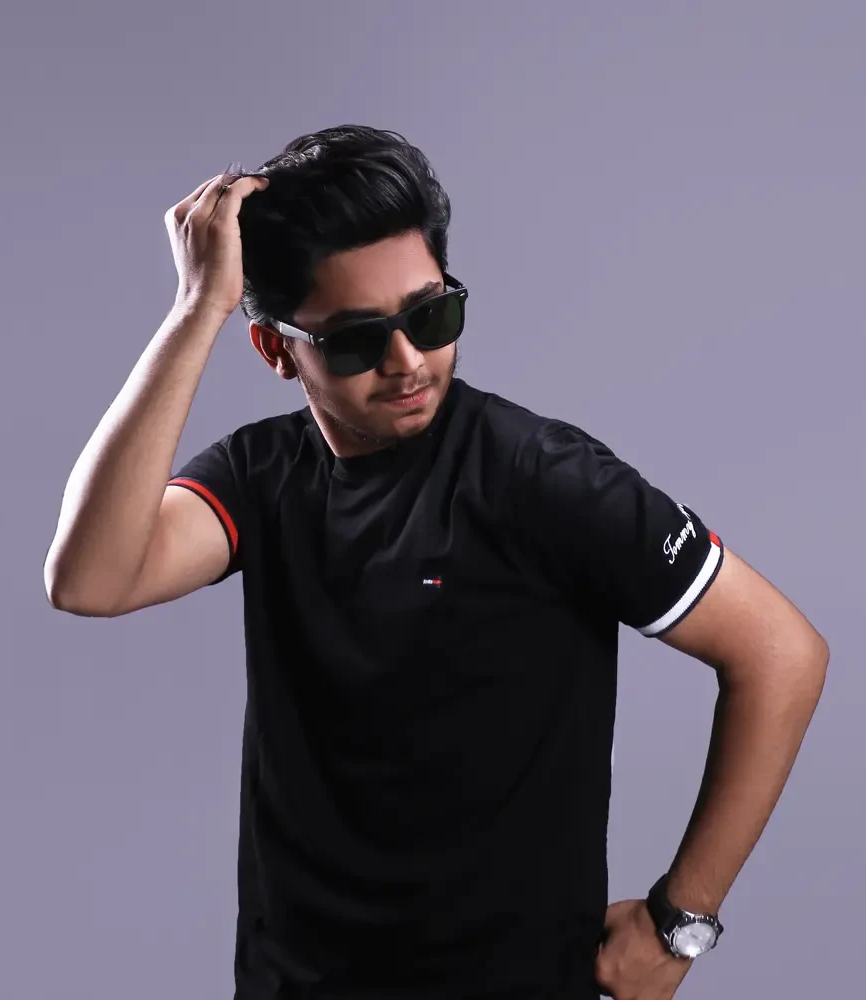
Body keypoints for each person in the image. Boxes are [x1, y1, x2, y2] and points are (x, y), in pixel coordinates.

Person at [43, 125, 829, 1000]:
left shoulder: (540, 476)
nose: (407, 361)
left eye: (431, 315)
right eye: (356, 340)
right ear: (277, 350)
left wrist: (680, 923)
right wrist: (198, 310)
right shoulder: (260, 475)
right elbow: (90, 579)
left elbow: (782, 654)